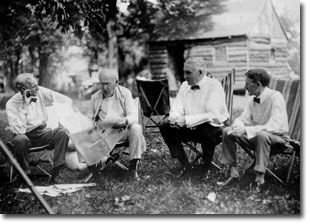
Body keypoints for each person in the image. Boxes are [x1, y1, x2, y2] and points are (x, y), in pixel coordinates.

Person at [159, 57, 229, 177]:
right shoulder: (184, 86)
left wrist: (186, 120)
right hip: (189, 128)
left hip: (213, 128)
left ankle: (205, 167)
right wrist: (175, 118)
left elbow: (212, 115)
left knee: (206, 129)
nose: (185, 76)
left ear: (201, 72)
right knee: (164, 124)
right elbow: (177, 108)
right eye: (184, 72)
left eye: (188, 72)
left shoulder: (214, 85)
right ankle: (185, 165)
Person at [218, 69, 289, 188]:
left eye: (247, 83)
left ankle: (259, 179)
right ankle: (233, 173)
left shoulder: (275, 97)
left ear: (258, 84)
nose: (245, 87)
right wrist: (237, 127)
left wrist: (246, 130)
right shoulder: (252, 99)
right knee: (227, 131)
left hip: (279, 139)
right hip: (258, 138)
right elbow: (243, 119)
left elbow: (275, 125)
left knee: (262, 135)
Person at [6, 73, 75, 184]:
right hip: (26, 137)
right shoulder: (11, 104)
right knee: (19, 140)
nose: (38, 88)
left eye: (36, 85)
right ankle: (25, 173)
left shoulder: (40, 91)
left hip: (43, 133)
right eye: (34, 86)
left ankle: (57, 173)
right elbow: (19, 131)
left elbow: (61, 98)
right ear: (24, 89)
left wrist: (69, 108)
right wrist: (25, 106)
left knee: (62, 133)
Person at [87, 68, 146, 180]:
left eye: (107, 84)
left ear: (116, 82)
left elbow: (133, 116)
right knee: (84, 133)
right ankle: (95, 171)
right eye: (102, 84)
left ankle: (133, 169)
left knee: (136, 128)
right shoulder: (95, 97)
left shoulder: (125, 93)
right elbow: (89, 116)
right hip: (102, 134)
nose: (104, 88)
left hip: (121, 131)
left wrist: (124, 121)